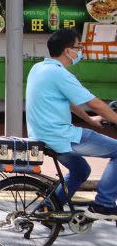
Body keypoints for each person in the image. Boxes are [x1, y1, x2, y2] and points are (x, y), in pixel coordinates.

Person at [26, 29, 117, 220]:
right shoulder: (59, 73)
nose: (81, 51)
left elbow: (69, 102)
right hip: (61, 137)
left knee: (81, 171)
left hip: (42, 136)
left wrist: (90, 120)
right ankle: (104, 203)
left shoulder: (39, 68)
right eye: (79, 47)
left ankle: (49, 208)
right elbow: (95, 104)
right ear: (68, 51)